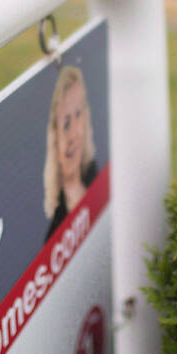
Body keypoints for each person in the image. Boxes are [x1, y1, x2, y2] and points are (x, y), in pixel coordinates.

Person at [44, 65, 98, 241]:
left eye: (78, 116)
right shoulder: (54, 234)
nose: (74, 133)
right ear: (55, 138)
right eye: (66, 124)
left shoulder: (99, 181)